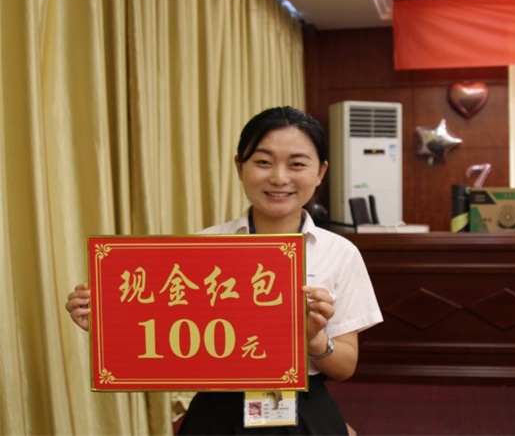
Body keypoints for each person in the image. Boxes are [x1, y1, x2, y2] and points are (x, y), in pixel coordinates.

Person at [66, 106, 383, 434]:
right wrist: (108, 323)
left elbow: (345, 366)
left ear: (320, 172)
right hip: (216, 413)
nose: (279, 177)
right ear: (239, 167)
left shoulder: (340, 253)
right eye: (263, 162)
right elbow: (170, 337)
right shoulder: (201, 246)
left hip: (301, 409)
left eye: (297, 164)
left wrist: (314, 339)